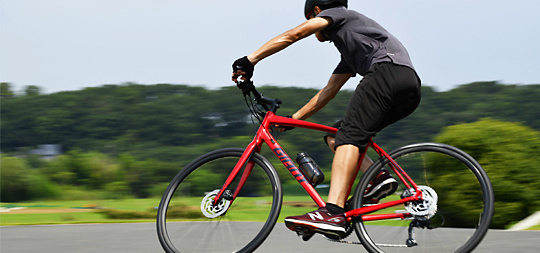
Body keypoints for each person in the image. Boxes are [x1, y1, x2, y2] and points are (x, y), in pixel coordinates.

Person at [231, 0, 421, 239]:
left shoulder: (338, 14)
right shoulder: (352, 46)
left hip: (386, 72)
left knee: (348, 136)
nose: (312, 26)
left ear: (317, 11)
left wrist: (250, 60)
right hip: (408, 86)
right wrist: (293, 118)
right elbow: (328, 91)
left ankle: (332, 211)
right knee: (336, 135)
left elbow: (294, 34)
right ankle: (377, 179)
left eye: (311, 18)